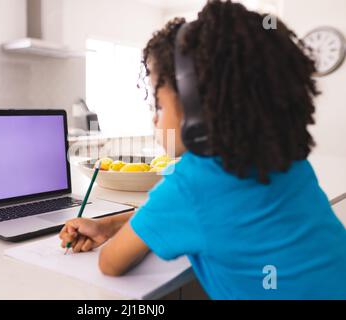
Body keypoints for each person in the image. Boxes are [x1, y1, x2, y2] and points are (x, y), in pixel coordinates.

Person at [59, 0, 346, 299]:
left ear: (197, 107)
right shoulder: (286, 159)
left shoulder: (193, 183)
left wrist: (113, 234)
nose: (155, 117)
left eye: (158, 103)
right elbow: (186, 214)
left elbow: (111, 262)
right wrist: (109, 224)